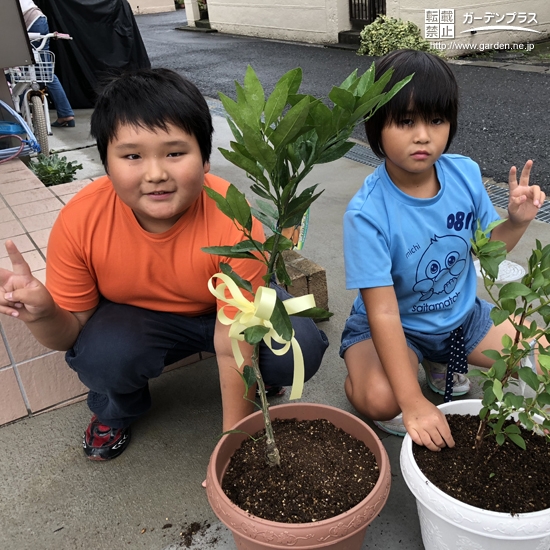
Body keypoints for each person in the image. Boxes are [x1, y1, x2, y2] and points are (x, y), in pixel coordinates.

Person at [0, 68, 328, 460]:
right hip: (142, 320)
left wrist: (231, 444)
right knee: (103, 356)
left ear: (205, 158)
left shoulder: (233, 218)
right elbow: (71, 335)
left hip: (228, 315)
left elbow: (233, 340)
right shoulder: (81, 220)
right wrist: (42, 313)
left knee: (298, 349)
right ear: (106, 161)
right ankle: (115, 411)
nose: (156, 174)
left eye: (175, 153)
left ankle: (256, 383)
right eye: (132, 156)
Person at [341, 49, 545, 452]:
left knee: (543, 354)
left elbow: (488, 252)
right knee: (383, 400)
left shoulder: (464, 174)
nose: (423, 135)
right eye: (405, 121)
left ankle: (441, 362)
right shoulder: (366, 214)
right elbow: (383, 311)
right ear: (375, 124)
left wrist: (517, 220)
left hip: (460, 319)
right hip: (394, 325)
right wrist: (412, 401)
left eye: (436, 120)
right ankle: (363, 375)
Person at [18, 0, 75, 127]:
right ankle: (65, 113)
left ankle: (19, 116)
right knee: (44, 72)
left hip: (28, 22)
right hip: (37, 19)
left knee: (26, 72)